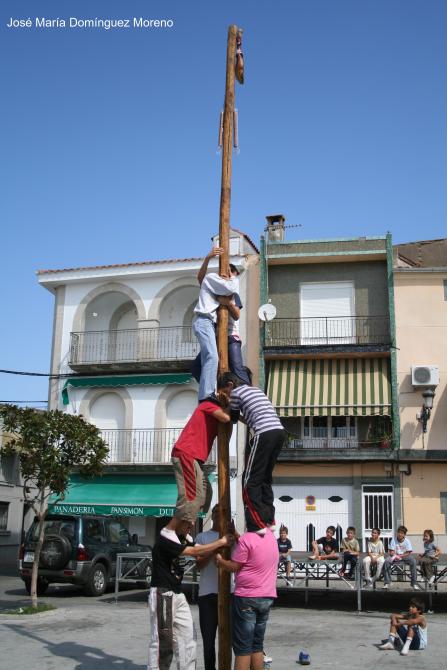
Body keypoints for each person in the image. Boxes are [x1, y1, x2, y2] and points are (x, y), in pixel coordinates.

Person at [148, 519, 234, 670]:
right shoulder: (166, 537)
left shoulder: (184, 538)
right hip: (163, 592)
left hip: (177, 593)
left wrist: (218, 546)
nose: (192, 525)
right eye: (189, 522)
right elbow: (194, 552)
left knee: (188, 639)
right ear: (178, 521)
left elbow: (200, 551)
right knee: (163, 642)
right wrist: (221, 542)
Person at [218, 372, 286, 533]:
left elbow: (232, 418)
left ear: (230, 385)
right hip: (279, 432)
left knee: (249, 481)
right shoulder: (255, 390)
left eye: (225, 391)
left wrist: (224, 403)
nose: (227, 395)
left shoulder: (235, 393)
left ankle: (257, 524)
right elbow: (248, 418)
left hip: (264, 433)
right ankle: (269, 520)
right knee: (264, 478)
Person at [162, 394, 231, 539]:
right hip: (186, 453)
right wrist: (233, 408)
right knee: (191, 495)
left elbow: (225, 436)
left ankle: (183, 529)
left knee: (205, 494)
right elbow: (226, 418)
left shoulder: (214, 418)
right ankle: (170, 529)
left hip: (196, 459)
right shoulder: (207, 405)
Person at [215, 527, 279, 670]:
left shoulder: (247, 538)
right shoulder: (271, 537)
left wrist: (221, 561)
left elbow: (235, 566)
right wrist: (237, 535)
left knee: (243, 648)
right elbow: (252, 545)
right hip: (267, 595)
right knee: (257, 646)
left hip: (247, 597)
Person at [192, 247, 240, 401]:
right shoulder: (212, 279)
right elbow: (230, 286)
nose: (233, 277)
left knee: (210, 360)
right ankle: (207, 394)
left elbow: (237, 314)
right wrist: (232, 278)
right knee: (212, 357)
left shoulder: (224, 291)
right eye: (233, 274)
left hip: (214, 328)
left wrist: (228, 302)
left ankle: (208, 393)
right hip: (205, 322)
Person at [382, 525, 420, 590]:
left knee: (413, 561)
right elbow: (391, 551)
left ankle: (414, 583)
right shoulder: (393, 540)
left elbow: (408, 552)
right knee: (387, 561)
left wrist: (401, 556)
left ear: (404, 535)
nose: (400, 534)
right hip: (395, 556)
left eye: (402, 533)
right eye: (399, 532)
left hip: (404, 556)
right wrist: (394, 554)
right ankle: (387, 582)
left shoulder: (407, 541)